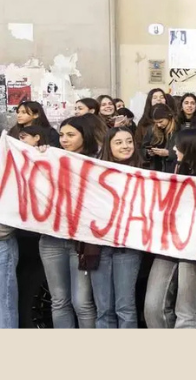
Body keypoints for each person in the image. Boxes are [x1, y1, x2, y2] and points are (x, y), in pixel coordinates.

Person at [144, 128, 196, 329]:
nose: (173, 149)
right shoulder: (174, 169)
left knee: (187, 311)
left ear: (190, 149)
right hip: (169, 244)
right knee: (153, 307)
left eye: (177, 145)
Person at [39, 117, 99, 328]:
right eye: (62, 135)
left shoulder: (97, 162)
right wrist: (39, 156)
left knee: (81, 302)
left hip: (80, 242)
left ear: (85, 136)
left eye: (71, 135)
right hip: (51, 239)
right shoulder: (51, 158)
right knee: (59, 301)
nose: (64, 140)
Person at [90, 128, 144, 328]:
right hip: (99, 246)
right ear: (108, 146)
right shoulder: (93, 171)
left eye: (129, 141)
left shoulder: (146, 172)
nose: (125, 146)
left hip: (128, 247)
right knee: (103, 308)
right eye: (119, 142)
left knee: (125, 307)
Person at [140, 104, 178, 172]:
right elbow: (142, 148)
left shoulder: (179, 130)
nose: (158, 125)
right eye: (156, 122)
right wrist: (148, 153)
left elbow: (186, 152)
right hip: (156, 169)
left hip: (173, 170)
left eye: (161, 121)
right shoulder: (151, 130)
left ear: (168, 117)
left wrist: (169, 153)